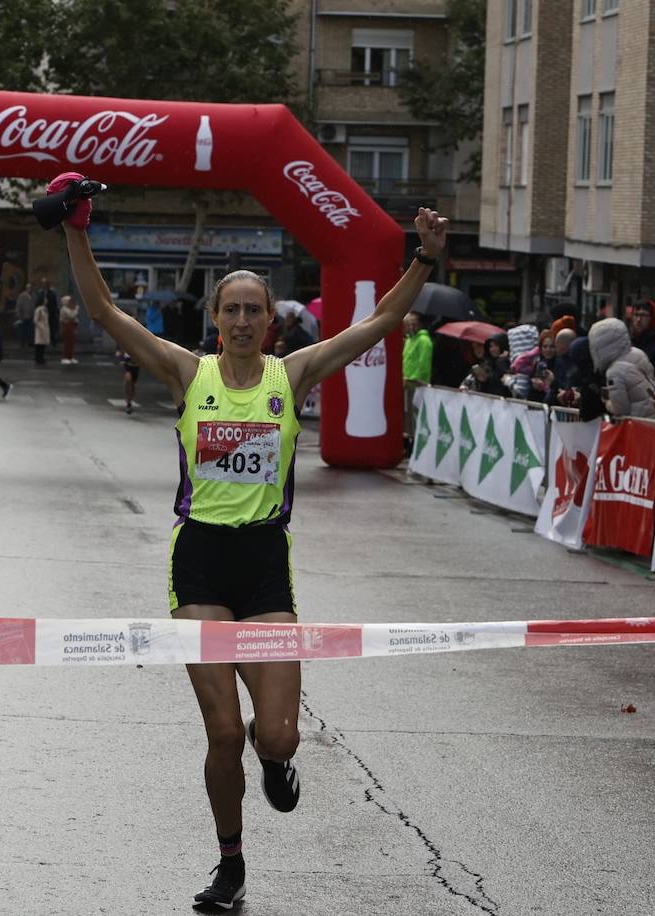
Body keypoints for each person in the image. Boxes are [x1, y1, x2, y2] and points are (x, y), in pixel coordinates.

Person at [52, 169, 449, 911]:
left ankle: (278, 761)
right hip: (199, 563)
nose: (240, 321)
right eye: (230, 309)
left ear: (270, 320)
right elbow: (102, 308)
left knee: (278, 738)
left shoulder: (291, 374)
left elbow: (377, 325)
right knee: (225, 732)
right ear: (213, 316)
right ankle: (230, 864)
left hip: (266, 569)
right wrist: (76, 224)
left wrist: (422, 260)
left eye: (252, 310)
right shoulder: (186, 371)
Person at [588, 317, 655, 419]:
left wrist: (607, 401)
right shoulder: (638, 353)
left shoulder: (613, 372)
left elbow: (620, 410)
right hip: (654, 417)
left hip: (635, 424)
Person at [401, 312, 433, 448]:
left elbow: (424, 363)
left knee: (415, 416)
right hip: (406, 381)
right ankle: (409, 441)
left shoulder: (424, 340)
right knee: (407, 416)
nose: (410, 326)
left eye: (413, 323)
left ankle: (415, 445)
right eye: (408, 323)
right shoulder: (409, 340)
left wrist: (418, 379)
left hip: (416, 383)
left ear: (419, 324)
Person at [629, 300, 655, 373]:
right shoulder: (629, 340)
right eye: (636, 315)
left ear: (652, 317)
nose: (639, 320)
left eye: (643, 315)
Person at [59, 295, 81, 364]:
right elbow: (71, 316)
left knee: (72, 343)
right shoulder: (64, 309)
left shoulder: (70, 308)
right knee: (68, 343)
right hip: (67, 326)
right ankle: (65, 357)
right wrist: (76, 309)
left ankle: (70, 357)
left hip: (72, 326)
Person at [117, 346, 139, 414]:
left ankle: (130, 401)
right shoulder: (124, 340)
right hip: (127, 363)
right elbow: (119, 350)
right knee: (128, 379)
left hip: (136, 364)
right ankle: (128, 402)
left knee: (132, 384)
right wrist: (121, 359)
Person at [15, 283, 35, 348]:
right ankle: (22, 343)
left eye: (31, 288)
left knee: (31, 330)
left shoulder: (34, 295)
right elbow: (19, 306)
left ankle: (30, 343)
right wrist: (19, 315)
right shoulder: (22, 295)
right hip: (24, 316)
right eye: (29, 288)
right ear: (26, 288)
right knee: (23, 330)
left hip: (32, 316)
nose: (30, 289)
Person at [32, 294, 51, 365]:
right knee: (39, 344)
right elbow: (35, 320)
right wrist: (41, 327)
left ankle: (41, 357)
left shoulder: (45, 308)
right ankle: (38, 358)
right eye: (45, 299)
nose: (47, 300)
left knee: (43, 344)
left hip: (45, 328)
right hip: (40, 329)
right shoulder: (38, 309)